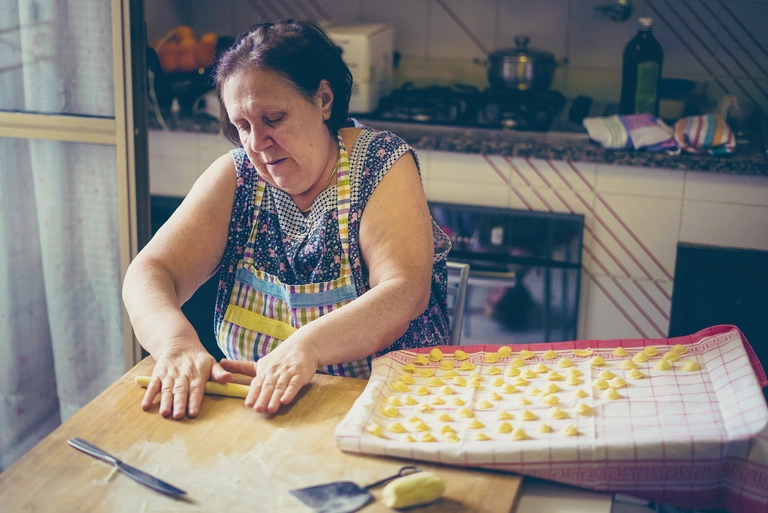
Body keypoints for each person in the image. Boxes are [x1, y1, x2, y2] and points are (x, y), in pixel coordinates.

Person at [123, 20, 451, 420]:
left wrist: (306, 346)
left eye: (273, 119)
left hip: (390, 413)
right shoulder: (237, 177)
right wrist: (176, 345)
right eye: (243, 126)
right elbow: (149, 271)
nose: (257, 144)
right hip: (259, 418)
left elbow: (404, 290)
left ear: (323, 99)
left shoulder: (380, 162)